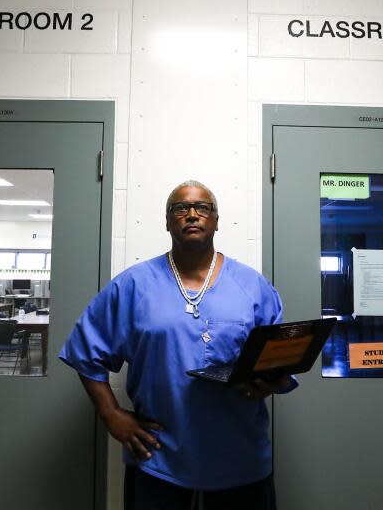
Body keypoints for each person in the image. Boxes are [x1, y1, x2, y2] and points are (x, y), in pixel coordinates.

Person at [59, 180, 295, 510]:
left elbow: (277, 359)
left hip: (240, 455)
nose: (192, 215)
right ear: (168, 222)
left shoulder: (251, 285)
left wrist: (271, 381)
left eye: (203, 208)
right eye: (181, 208)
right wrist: (111, 414)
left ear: (216, 220)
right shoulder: (134, 285)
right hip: (158, 457)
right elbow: (85, 352)